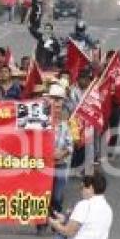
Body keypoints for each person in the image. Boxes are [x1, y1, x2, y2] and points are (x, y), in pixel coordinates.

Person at [47, 84, 73, 216]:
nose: (56, 107)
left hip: (60, 165)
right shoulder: (42, 124)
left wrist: (61, 153)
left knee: (57, 196)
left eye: (58, 103)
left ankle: (55, 218)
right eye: (53, 100)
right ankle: (43, 223)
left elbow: (70, 146)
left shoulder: (65, 125)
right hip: (45, 165)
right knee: (45, 195)